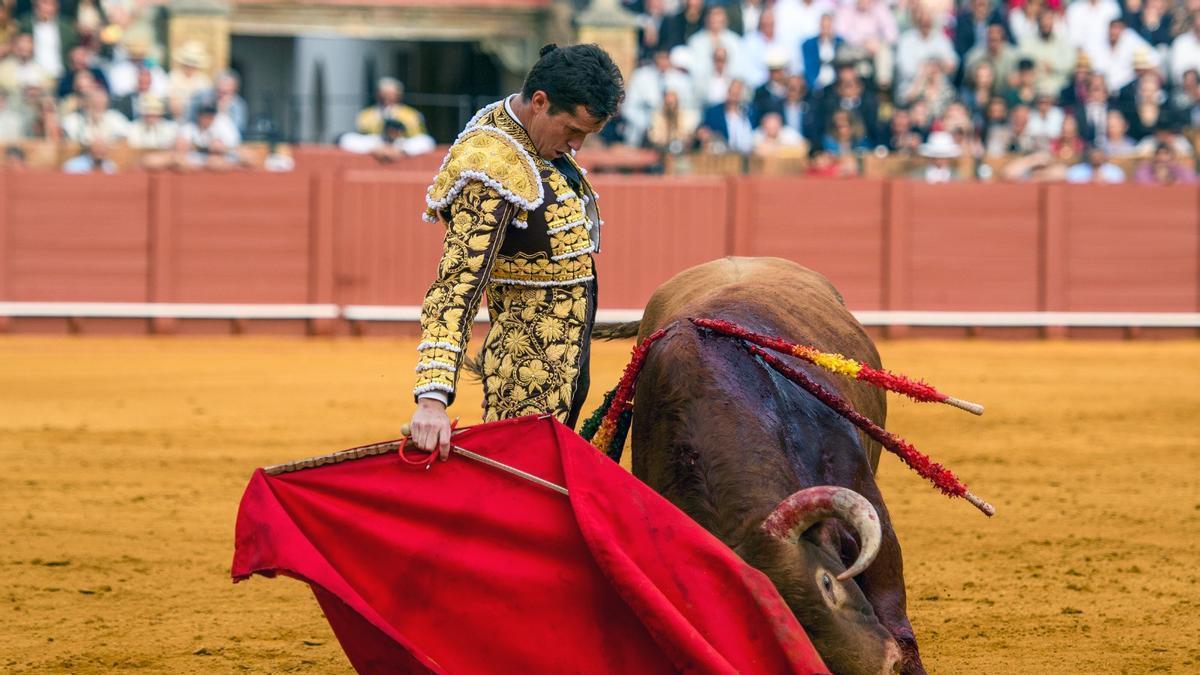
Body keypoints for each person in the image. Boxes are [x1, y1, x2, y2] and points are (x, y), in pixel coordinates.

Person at [407, 44, 623, 457]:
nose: (577, 145)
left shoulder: (530, 136)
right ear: (540, 102)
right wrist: (432, 400)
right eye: (572, 130)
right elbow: (455, 287)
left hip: (563, 371)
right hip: (523, 383)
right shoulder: (492, 165)